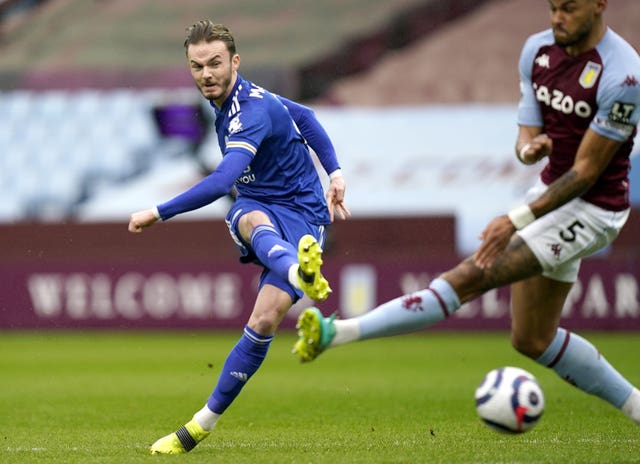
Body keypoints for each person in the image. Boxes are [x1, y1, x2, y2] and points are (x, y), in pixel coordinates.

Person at [293, 0, 640, 425]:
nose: (557, 19)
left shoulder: (623, 74)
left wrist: (515, 219)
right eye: (552, 8)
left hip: (593, 209)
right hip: (549, 191)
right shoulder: (537, 51)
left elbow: (587, 172)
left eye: (568, 9)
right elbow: (527, 135)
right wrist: (529, 149)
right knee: (532, 339)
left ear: (600, 4)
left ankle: (338, 332)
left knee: (471, 275)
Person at [129, 20, 350, 454]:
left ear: (234, 61)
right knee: (263, 317)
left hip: (294, 216)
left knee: (242, 214)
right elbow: (304, 115)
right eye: (197, 66)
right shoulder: (246, 98)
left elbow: (220, 181)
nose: (206, 74)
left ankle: (295, 268)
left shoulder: (247, 113)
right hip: (295, 221)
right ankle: (197, 428)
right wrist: (336, 172)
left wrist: (157, 212)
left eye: (214, 63)